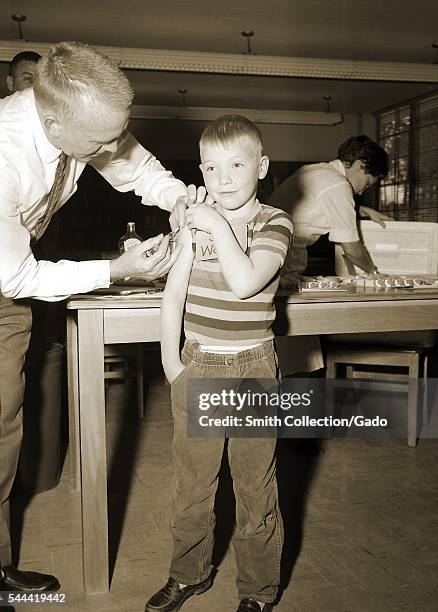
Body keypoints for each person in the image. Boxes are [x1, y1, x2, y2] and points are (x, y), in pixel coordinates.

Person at [0, 41, 203, 592]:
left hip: (10, 280)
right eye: (101, 140)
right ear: (52, 123)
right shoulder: (4, 155)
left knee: (3, 427)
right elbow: (16, 278)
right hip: (8, 275)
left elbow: (139, 169)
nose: (113, 148)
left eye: (118, 132)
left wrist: (178, 200)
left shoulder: (84, 121)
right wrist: (115, 271)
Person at [145, 115, 293, 612]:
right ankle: (188, 574)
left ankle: (257, 589)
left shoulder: (274, 223)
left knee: (254, 488)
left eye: (236, 164)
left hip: (252, 366)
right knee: (191, 486)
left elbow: (248, 280)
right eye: (211, 167)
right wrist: (171, 363)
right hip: (199, 364)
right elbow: (174, 293)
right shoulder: (193, 221)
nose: (223, 177)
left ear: (262, 166)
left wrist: (213, 224)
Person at [268, 135, 390, 374]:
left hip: (272, 254)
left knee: (294, 344)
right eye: (368, 181)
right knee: (292, 349)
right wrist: (375, 273)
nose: (364, 189)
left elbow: (319, 202)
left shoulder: (318, 171)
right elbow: (351, 248)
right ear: (360, 164)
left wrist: (361, 210)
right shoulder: (337, 185)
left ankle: (291, 396)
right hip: (281, 262)